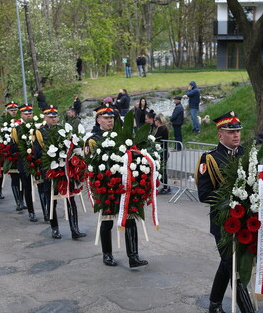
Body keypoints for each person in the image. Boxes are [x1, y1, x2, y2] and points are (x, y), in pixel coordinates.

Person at [196, 111, 263, 313]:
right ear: (220, 134)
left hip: (246, 222)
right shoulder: (210, 159)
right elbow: (204, 194)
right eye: (230, 132)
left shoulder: (247, 154)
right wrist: (231, 200)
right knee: (234, 266)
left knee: (226, 264)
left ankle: (214, 303)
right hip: (223, 223)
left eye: (238, 131)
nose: (236, 135)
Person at [88, 106, 148, 268]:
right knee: (107, 221)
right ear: (98, 120)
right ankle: (107, 254)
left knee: (130, 219)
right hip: (106, 187)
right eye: (106, 118)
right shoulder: (93, 140)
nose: (110, 121)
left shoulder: (122, 137)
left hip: (124, 185)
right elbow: (91, 165)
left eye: (111, 118)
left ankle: (133, 256)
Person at [38, 106, 86, 240]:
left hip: (66, 171)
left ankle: (74, 229)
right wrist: (53, 156)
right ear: (45, 117)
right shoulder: (40, 133)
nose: (53, 119)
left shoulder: (63, 130)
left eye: (55, 116)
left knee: (71, 199)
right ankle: (55, 229)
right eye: (50, 117)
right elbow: (37, 153)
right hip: (50, 171)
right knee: (51, 200)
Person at [9, 104, 39, 222]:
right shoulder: (17, 130)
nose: (28, 116)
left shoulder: (38, 127)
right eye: (26, 114)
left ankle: (47, 211)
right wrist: (24, 147)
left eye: (30, 113)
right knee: (27, 187)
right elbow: (12, 148)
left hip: (37, 161)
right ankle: (31, 212)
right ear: (21, 115)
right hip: (24, 161)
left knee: (42, 187)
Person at [153, 114, 171, 194]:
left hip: (162, 151)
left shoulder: (161, 129)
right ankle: (165, 186)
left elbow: (156, 139)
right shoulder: (164, 128)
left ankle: (166, 187)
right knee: (162, 169)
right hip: (163, 151)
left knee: (162, 170)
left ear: (157, 121)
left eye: (155, 121)